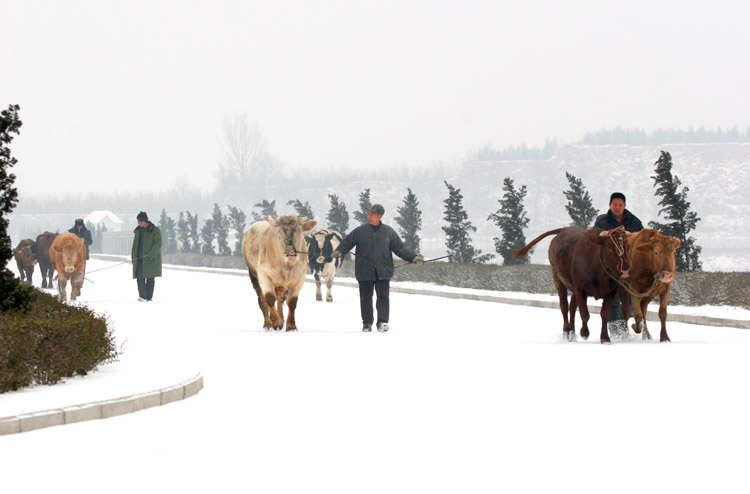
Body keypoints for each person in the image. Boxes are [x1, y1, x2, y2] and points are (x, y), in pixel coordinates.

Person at [323, 204, 423, 332]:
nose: (369, 216)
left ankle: (382, 322)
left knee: (383, 298)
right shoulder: (360, 231)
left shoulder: (388, 232)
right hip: (364, 270)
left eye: (372, 214)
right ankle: (367, 323)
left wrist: (414, 258)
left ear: (379, 216)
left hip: (384, 271)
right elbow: (347, 243)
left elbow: (400, 249)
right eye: (369, 214)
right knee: (365, 298)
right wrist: (338, 252)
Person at [594, 192, 644, 336]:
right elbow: (594, 241)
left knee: (629, 298)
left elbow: (641, 239)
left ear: (624, 206)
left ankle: (623, 324)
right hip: (608, 269)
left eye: (620, 205)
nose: (617, 207)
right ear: (610, 205)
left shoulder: (634, 222)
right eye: (614, 204)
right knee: (612, 298)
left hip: (628, 268)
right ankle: (616, 328)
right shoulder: (601, 222)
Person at [131, 211, 162, 302]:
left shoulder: (155, 231)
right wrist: (134, 257)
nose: (138, 223)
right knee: (140, 278)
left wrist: (151, 253)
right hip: (139, 259)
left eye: (139, 221)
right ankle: (142, 296)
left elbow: (158, 244)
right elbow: (135, 246)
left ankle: (149, 297)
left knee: (150, 278)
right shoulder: (138, 231)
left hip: (151, 259)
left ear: (143, 221)